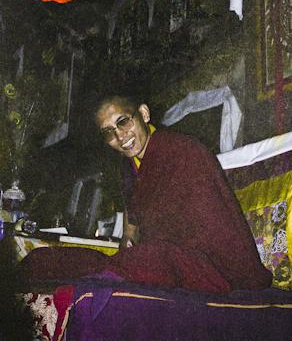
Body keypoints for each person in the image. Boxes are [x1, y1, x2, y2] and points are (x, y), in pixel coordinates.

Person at [94, 94, 272, 293]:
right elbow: (131, 230)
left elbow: (216, 228)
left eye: (124, 122)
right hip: (166, 265)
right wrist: (128, 253)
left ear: (144, 114)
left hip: (212, 269)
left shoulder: (185, 151)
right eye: (109, 132)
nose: (120, 136)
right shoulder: (128, 167)